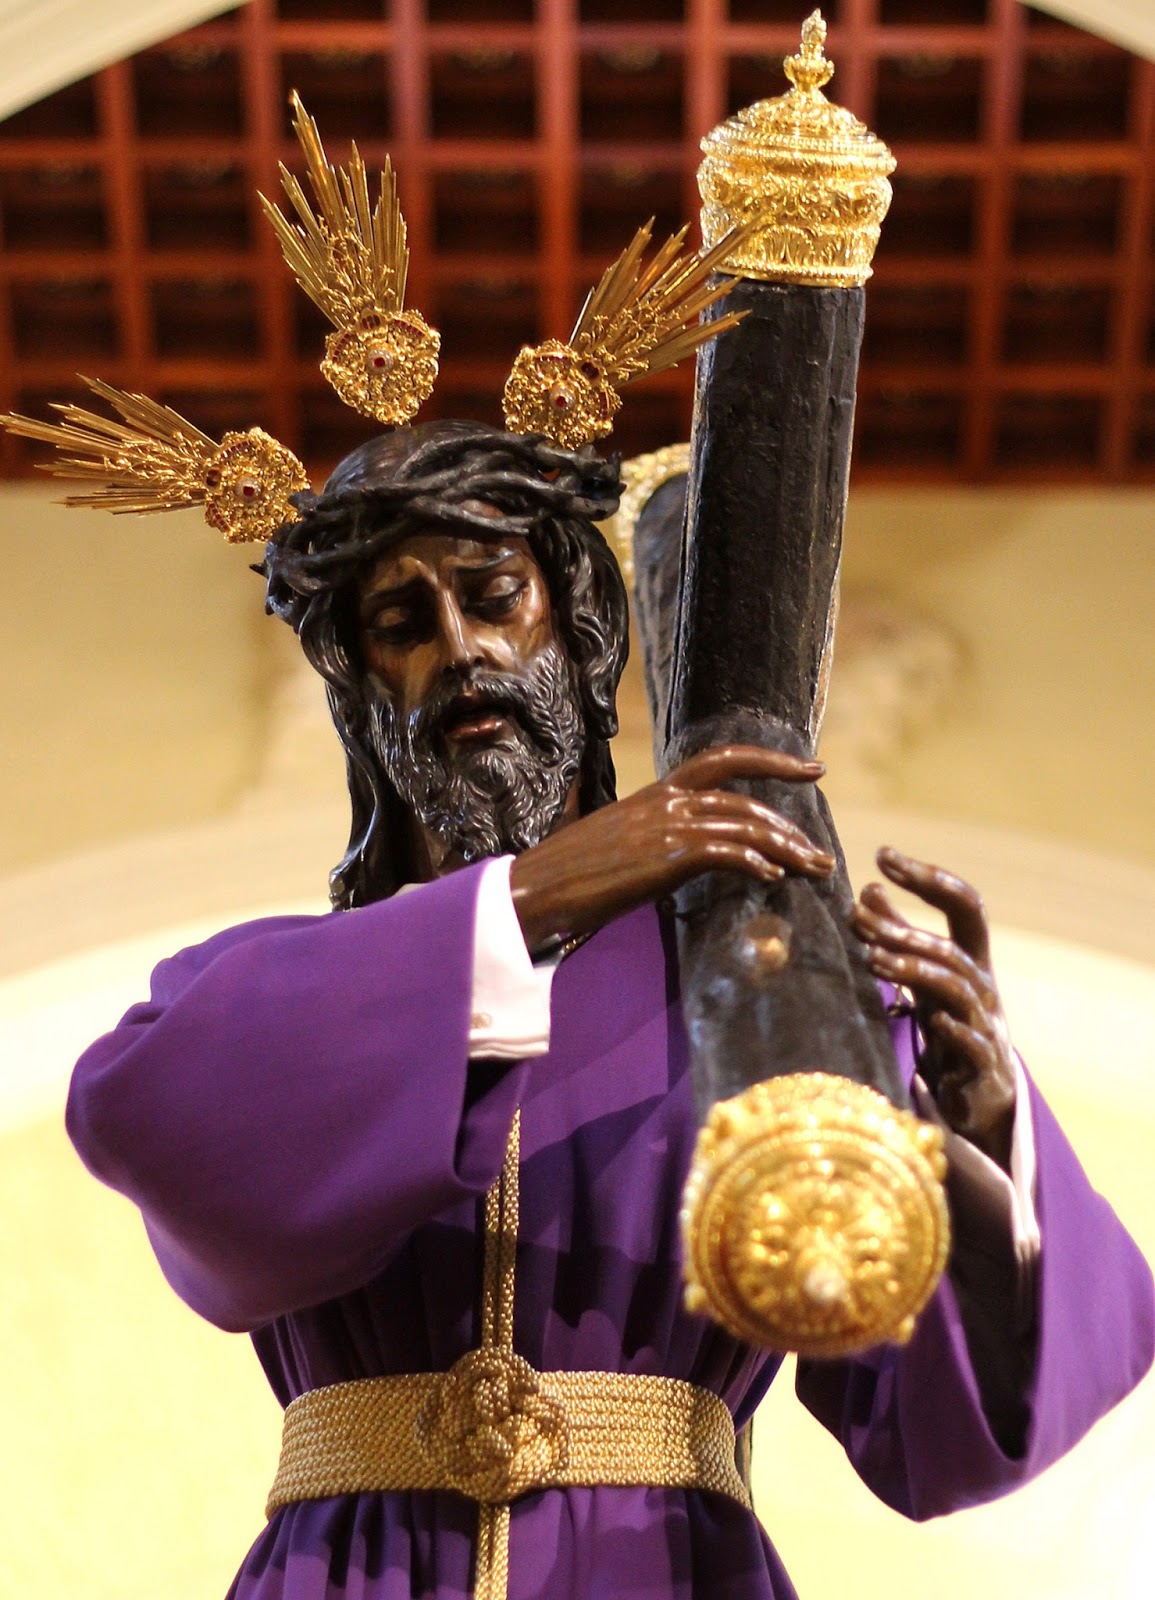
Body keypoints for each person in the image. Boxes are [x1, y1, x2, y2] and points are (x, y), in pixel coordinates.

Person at [67, 419, 1154, 1600]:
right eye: (401, 622)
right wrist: (538, 892)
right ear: (359, 691)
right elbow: (146, 1119)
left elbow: (948, 1431)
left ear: (578, 636)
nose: (462, 649)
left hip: (668, 1566)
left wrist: (980, 1128)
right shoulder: (266, 991)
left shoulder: (757, 991)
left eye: (496, 597)